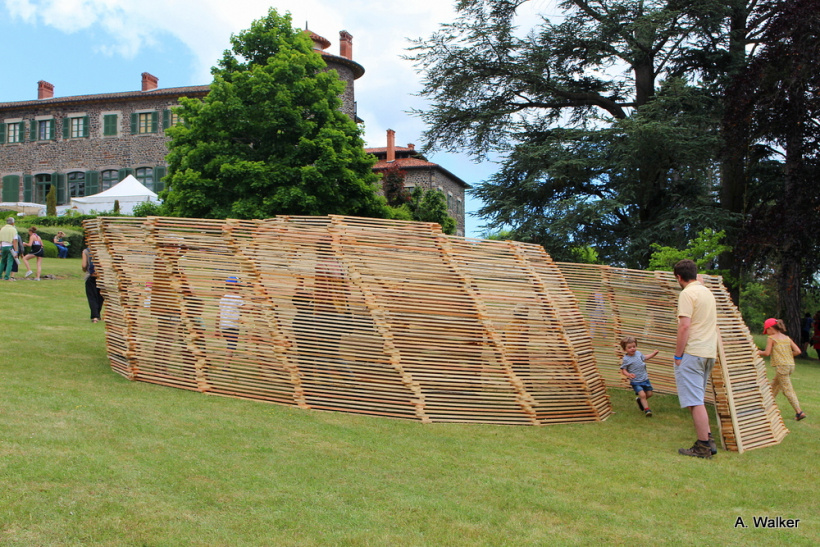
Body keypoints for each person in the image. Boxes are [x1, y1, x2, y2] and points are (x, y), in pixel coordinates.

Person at [673, 259, 718, 458]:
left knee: (695, 400)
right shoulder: (706, 292)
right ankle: (709, 440)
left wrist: (678, 354)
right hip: (709, 352)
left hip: (693, 351)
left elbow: (684, 326)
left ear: (678, 277)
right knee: (696, 398)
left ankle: (703, 447)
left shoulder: (687, 294)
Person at [758, 318, 807, 421]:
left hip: (782, 367)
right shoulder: (786, 338)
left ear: (771, 328)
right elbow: (797, 351)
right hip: (790, 366)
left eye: (766, 330)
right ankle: (766, 407)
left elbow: (766, 353)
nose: (766, 333)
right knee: (774, 386)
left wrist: (757, 351)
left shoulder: (772, 338)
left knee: (787, 390)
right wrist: (787, 355)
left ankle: (799, 412)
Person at [619, 336, 659, 417]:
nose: (633, 349)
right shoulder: (626, 359)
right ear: (624, 349)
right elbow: (623, 369)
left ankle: (640, 401)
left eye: (634, 346)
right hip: (636, 381)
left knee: (649, 394)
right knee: (643, 395)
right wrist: (628, 374)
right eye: (630, 347)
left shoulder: (638, 353)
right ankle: (647, 410)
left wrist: (653, 354)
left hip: (645, 379)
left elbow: (645, 357)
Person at [218, 276, 244, 362]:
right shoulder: (237, 298)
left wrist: (216, 328)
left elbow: (219, 313)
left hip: (223, 326)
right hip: (232, 326)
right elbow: (245, 309)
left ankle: (227, 362)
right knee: (231, 345)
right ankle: (226, 365)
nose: (240, 288)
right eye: (239, 286)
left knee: (230, 343)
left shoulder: (223, 298)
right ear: (234, 286)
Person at [82, 247, 104, 322]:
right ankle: (98, 314)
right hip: (102, 277)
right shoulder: (103, 250)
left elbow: (84, 265)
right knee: (100, 297)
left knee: (92, 297)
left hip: (91, 276)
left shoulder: (86, 251)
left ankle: (95, 317)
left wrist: (85, 270)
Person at [0, 216, 20, 281]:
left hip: (3, 246)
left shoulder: (2, 229)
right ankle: (7, 277)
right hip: (10, 247)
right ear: (13, 223)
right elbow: (15, 241)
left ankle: (0, 275)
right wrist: (16, 251)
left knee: (2, 261)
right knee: (10, 262)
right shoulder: (13, 229)